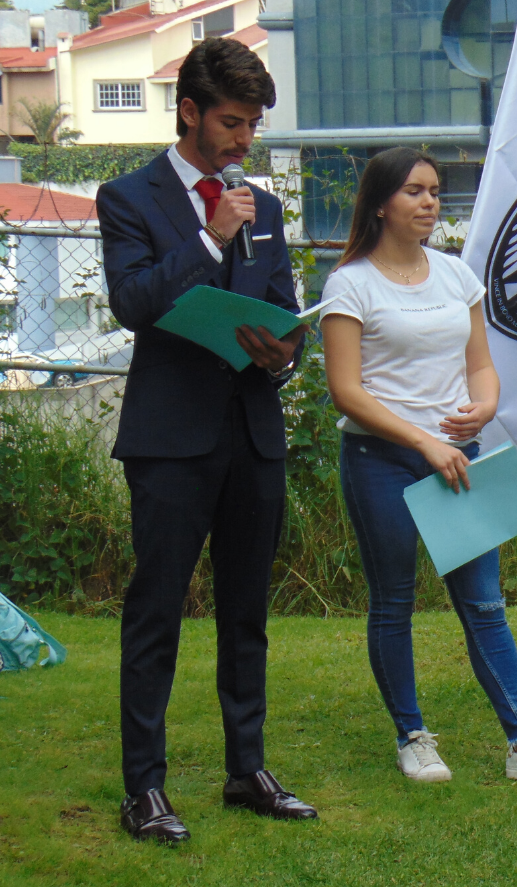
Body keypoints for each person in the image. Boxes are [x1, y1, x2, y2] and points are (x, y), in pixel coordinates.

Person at [96, 38, 314, 844]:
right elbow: (132, 302)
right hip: (169, 438)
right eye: (231, 122)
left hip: (252, 430)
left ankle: (245, 767)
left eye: (253, 125)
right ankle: (143, 788)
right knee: (156, 610)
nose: (244, 140)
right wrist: (210, 238)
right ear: (188, 111)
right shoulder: (128, 196)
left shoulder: (267, 204)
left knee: (246, 611)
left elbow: (286, 308)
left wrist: (285, 351)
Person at [319, 147, 517, 782]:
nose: (430, 202)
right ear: (382, 203)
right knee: (392, 600)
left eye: (436, 191)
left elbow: (479, 364)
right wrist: (422, 442)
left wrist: (484, 405)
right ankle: (412, 736)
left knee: (484, 602)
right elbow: (347, 389)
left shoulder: (455, 276)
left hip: (458, 458)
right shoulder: (349, 283)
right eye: (415, 191)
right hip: (381, 458)